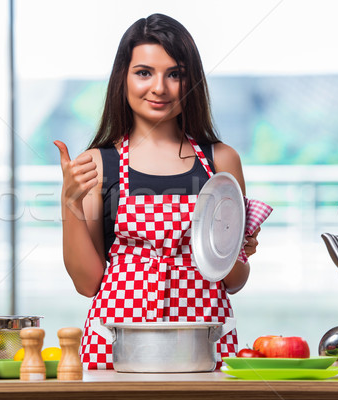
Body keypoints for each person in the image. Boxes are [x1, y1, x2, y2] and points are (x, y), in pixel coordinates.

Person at [54, 13, 262, 370]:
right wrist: (69, 202)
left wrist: (232, 247)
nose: (160, 88)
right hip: (115, 344)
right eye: (144, 72)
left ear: (191, 81)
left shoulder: (222, 161)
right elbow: (87, 283)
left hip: (203, 338)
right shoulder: (98, 164)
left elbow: (234, 282)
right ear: (123, 78)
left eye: (175, 74)